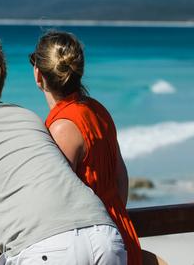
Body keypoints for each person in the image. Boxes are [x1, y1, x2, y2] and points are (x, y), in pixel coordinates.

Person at [0, 38, 127, 265]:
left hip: (46, 247)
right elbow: (27, 187)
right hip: (105, 236)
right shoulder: (28, 117)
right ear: (0, 83)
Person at [29, 31, 142, 265]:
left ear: (38, 75)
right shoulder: (97, 110)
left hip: (91, 246)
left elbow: (55, 201)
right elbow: (120, 178)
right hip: (119, 233)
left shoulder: (62, 128)